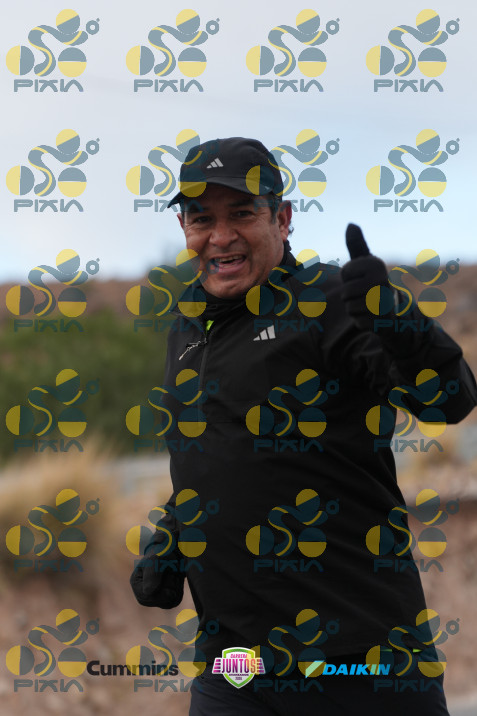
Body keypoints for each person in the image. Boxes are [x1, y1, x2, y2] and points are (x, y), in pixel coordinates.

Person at [131, 137, 477, 715]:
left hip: (360, 662)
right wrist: (174, 535)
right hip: (235, 667)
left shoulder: (328, 300)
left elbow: (449, 399)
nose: (220, 236)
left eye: (242, 213)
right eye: (201, 218)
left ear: (283, 218)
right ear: (184, 227)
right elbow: (219, 452)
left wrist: (401, 324)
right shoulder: (188, 326)